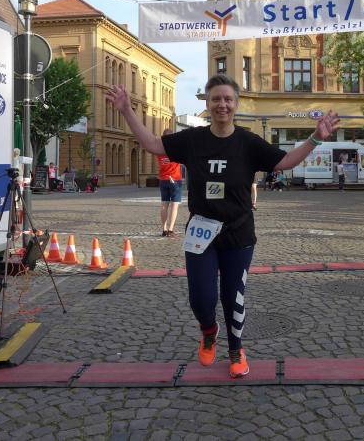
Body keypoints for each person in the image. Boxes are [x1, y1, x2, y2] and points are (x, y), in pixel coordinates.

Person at [106, 74, 340, 378]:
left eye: (228, 99)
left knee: (233, 297)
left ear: (236, 104)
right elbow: (152, 144)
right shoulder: (192, 139)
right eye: (216, 98)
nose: (222, 104)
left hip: (238, 233)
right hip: (201, 232)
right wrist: (126, 110)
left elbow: (285, 162)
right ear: (207, 102)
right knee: (200, 299)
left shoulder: (248, 142)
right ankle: (209, 330)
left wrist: (315, 138)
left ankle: (235, 349)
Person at [157, 128, 184, 237]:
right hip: (175, 179)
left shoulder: (159, 150)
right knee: (174, 205)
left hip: (163, 179)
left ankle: (164, 229)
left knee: (164, 205)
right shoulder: (176, 149)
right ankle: (170, 229)